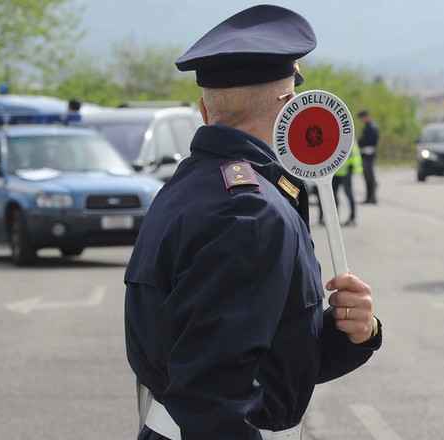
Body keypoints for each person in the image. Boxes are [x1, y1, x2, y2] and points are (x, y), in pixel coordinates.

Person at [124, 5, 382, 440]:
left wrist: (353, 333)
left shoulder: (186, 188)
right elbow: (214, 395)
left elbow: (259, 352)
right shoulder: (250, 213)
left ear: (205, 111)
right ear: (291, 106)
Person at [318, 140, 362, 226]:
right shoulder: (334, 135)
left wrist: (353, 167)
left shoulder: (349, 137)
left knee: (349, 195)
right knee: (333, 196)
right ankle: (334, 219)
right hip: (335, 172)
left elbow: (354, 154)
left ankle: (352, 218)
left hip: (345, 172)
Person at [357, 110, 379, 204]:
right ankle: (369, 197)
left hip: (369, 154)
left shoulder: (371, 127)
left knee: (370, 177)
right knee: (367, 176)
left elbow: (370, 140)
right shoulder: (368, 127)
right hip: (365, 154)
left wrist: (361, 142)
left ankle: (372, 197)